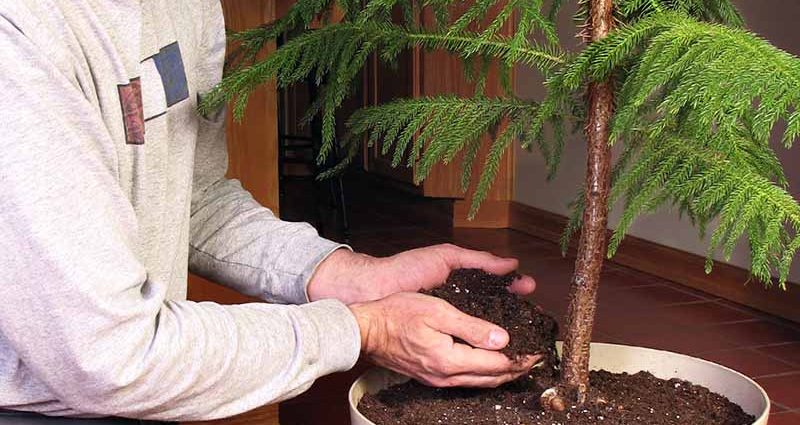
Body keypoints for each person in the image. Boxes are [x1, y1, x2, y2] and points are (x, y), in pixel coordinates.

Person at [0, 1, 539, 423]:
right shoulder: (20, 37)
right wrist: (365, 329)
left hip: (137, 397)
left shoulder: (183, 7)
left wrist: (352, 277)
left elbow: (195, 199)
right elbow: (102, 355)